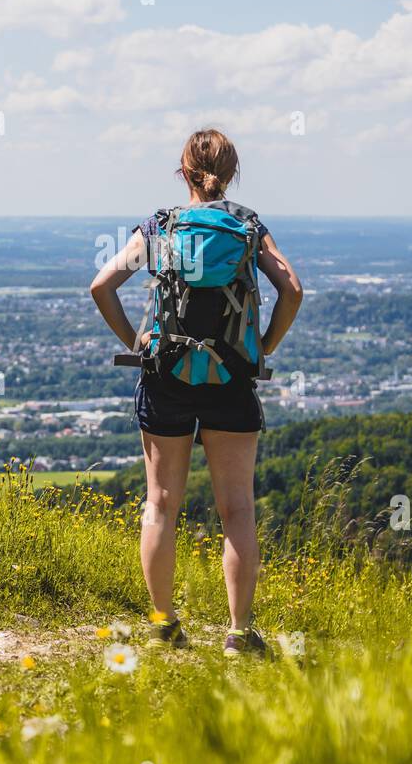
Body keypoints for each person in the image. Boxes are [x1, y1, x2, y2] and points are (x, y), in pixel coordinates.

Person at [89, 128, 303, 656]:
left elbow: (101, 285)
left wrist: (137, 342)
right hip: (231, 378)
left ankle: (163, 625)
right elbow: (292, 289)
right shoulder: (248, 227)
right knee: (238, 511)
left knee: (160, 505)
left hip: (166, 377)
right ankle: (237, 633)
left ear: (182, 171)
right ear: (231, 174)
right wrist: (262, 349)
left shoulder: (160, 226)